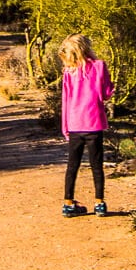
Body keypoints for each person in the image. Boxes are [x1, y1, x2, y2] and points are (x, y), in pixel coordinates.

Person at [59, 34, 113, 217]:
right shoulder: (99, 66)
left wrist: (65, 126)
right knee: (96, 165)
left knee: (72, 165)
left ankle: (68, 203)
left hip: (74, 123)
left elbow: (65, 100)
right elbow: (105, 93)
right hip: (94, 122)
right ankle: (99, 203)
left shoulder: (68, 71)